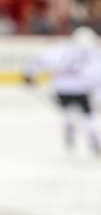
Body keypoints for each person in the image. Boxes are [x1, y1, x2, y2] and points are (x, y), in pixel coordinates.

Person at [24, 26, 101, 154]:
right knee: (88, 115)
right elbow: (96, 76)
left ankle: (69, 128)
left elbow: (39, 61)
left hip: (61, 88)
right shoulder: (94, 54)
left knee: (68, 111)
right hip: (82, 89)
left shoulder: (62, 49)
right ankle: (93, 140)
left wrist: (29, 74)